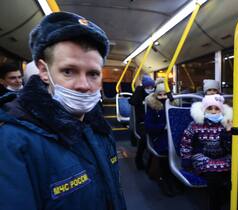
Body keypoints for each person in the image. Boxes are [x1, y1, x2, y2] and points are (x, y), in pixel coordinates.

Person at [0, 12, 126, 210]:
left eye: (93, 74)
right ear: (44, 71)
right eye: (68, 71)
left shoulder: (99, 128)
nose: (84, 85)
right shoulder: (12, 141)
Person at [180, 94, 233, 210]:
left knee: (234, 177)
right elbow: (186, 142)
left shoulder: (227, 124)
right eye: (210, 108)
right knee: (214, 177)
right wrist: (186, 159)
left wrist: (229, 133)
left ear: (222, 110)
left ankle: (227, 199)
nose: (213, 111)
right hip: (203, 156)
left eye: (217, 108)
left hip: (223, 156)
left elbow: (232, 146)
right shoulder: (195, 125)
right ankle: (214, 205)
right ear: (204, 110)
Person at [144, 79, 176, 196]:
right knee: (167, 151)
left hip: (172, 136)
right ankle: (165, 179)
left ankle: (174, 177)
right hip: (160, 136)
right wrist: (163, 126)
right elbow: (148, 127)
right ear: (156, 95)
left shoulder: (173, 106)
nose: (162, 97)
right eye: (159, 94)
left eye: (165, 94)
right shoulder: (153, 108)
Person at [129, 74, 155, 169]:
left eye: (152, 87)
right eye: (148, 87)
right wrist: (142, 100)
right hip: (142, 122)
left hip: (153, 120)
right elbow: (132, 101)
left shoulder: (156, 94)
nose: (150, 89)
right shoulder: (139, 92)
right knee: (145, 135)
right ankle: (139, 159)